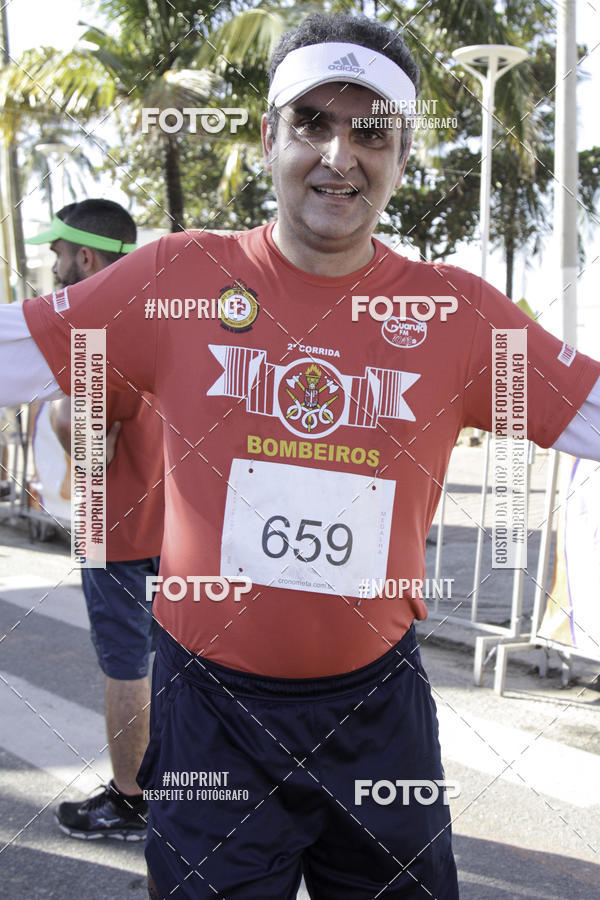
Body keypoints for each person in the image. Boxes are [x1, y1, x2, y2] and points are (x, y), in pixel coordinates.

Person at [1, 11, 600, 899]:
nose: (338, 154)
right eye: (311, 122)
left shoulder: (458, 313)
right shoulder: (176, 278)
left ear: (402, 156)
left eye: (370, 132)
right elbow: (14, 350)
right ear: (269, 138)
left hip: (377, 717)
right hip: (210, 713)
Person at [24, 200, 165, 840]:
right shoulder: (164, 314)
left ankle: (133, 801)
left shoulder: (99, 328)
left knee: (126, 667)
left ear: (85, 257)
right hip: (182, 529)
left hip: (119, 532)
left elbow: (89, 445)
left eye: (57, 256)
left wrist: (57, 413)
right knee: (182, 667)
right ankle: (193, 795)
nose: (53, 269)